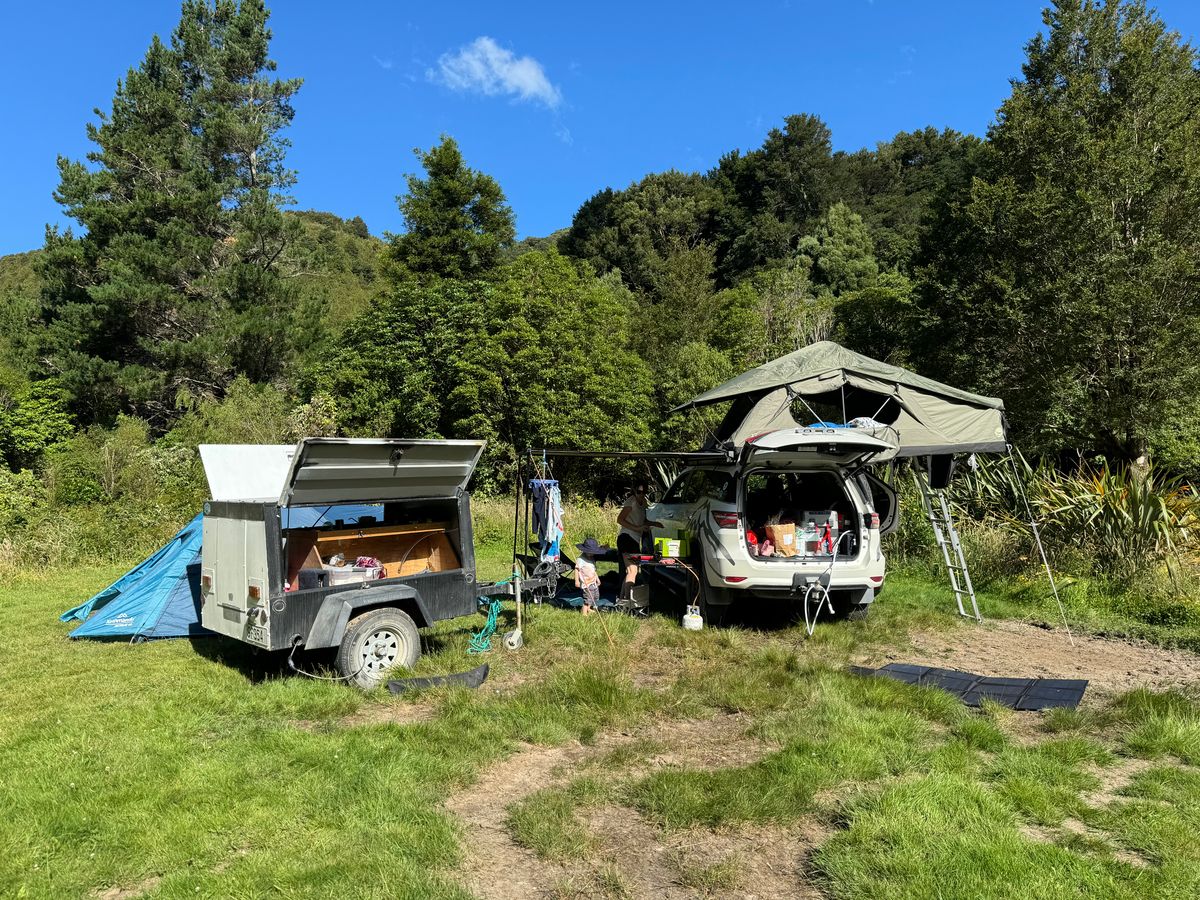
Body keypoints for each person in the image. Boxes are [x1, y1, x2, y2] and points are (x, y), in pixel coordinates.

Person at [616, 480, 661, 600]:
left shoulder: (644, 502)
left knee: (630, 571)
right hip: (626, 538)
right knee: (633, 571)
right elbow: (619, 520)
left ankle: (622, 600)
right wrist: (638, 528)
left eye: (644, 492)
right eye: (639, 492)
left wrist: (655, 524)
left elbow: (642, 521)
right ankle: (627, 601)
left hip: (634, 540)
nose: (642, 494)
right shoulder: (631, 502)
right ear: (635, 491)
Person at [574, 537, 604, 616]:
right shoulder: (580, 559)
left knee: (594, 596)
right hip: (586, 583)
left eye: (593, 552)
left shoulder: (592, 559)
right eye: (589, 552)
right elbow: (577, 570)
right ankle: (584, 613)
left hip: (593, 582)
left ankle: (588, 608)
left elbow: (594, 571)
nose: (591, 554)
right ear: (584, 550)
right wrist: (576, 580)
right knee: (588, 598)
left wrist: (597, 579)